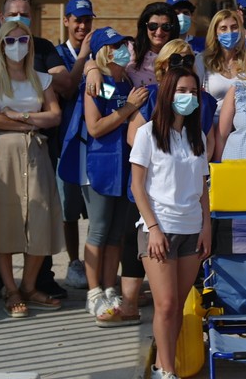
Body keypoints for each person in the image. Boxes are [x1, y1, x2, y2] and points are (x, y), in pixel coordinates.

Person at [96, 40, 218, 328]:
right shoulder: (151, 95)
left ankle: (169, 357)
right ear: (162, 64)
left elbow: (208, 142)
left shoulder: (205, 100)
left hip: (187, 202)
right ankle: (128, 303)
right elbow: (133, 136)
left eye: (187, 59)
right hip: (152, 195)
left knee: (174, 300)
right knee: (136, 247)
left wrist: (188, 162)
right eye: (175, 59)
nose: (181, 64)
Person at [0, 0, 69, 302]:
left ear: (31, 42)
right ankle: (11, 289)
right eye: (11, 40)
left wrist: (19, 115)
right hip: (1, 154)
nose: (17, 44)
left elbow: (54, 115)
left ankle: (29, 285)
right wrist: (29, 124)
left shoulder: (41, 78)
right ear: (1, 43)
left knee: (41, 215)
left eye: (23, 40)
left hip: (36, 154)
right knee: (4, 220)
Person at [60, 27, 149, 317]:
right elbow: (96, 126)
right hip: (98, 165)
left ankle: (111, 288)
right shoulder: (97, 82)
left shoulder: (125, 82)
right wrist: (127, 110)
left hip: (123, 164)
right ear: (105, 52)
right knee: (98, 229)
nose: (124, 49)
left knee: (115, 234)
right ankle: (94, 290)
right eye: (116, 46)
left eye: (124, 44)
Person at [130, 67, 211, 379]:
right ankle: (166, 370)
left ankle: (166, 363)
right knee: (164, 304)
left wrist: (206, 226)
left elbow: (202, 187)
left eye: (192, 91)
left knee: (177, 306)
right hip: (158, 230)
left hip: (192, 230)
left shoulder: (198, 136)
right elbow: (138, 186)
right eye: (181, 91)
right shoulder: (147, 133)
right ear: (166, 94)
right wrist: (152, 228)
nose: (187, 97)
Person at [55, 0, 95, 289]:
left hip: (95, 144)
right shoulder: (56, 55)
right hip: (66, 144)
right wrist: (84, 57)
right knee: (69, 210)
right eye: (77, 19)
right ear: (66, 20)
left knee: (97, 211)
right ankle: (73, 262)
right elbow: (66, 91)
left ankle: (93, 263)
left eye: (87, 20)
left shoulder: (100, 54)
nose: (82, 25)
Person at [202, 9, 245, 123]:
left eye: (234, 27)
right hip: (212, 126)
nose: (229, 32)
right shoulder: (203, 61)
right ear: (215, 33)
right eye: (223, 28)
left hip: (240, 129)